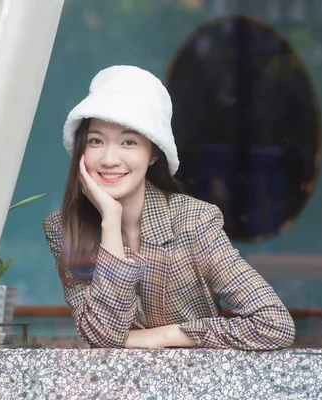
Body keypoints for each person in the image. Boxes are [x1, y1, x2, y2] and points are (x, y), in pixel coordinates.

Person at [43, 65, 295, 350]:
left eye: (129, 142)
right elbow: (105, 337)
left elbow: (274, 324)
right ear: (81, 151)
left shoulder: (193, 221)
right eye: (96, 141)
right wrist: (110, 221)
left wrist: (166, 336)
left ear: (153, 154)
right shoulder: (64, 227)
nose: (109, 158)